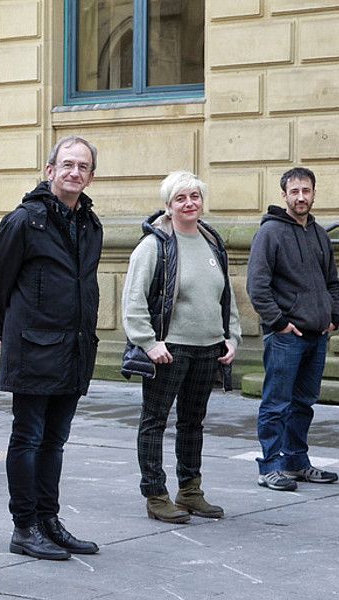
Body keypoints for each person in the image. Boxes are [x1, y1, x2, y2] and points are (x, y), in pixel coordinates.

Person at [0, 137, 103, 562]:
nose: (75, 172)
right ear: (50, 170)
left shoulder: (91, 224)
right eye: (67, 164)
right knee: (29, 438)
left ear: (91, 176)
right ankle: (25, 527)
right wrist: (10, 332)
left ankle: (49, 520)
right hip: (34, 348)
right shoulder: (24, 221)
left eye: (83, 166)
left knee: (55, 442)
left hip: (74, 349)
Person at [123, 172, 242, 522]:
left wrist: (232, 337)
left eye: (195, 196)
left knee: (193, 422)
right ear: (168, 205)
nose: (189, 203)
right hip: (169, 350)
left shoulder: (212, 243)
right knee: (154, 421)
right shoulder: (154, 246)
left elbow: (226, 297)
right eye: (181, 198)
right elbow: (133, 300)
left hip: (209, 348)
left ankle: (190, 491)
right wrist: (148, 343)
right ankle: (156, 495)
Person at [247, 166, 339, 491]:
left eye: (306, 191)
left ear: (314, 193)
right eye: (295, 191)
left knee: (303, 404)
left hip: (317, 335)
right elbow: (257, 286)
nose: (301, 197)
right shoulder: (270, 233)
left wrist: (334, 316)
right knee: (276, 404)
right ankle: (270, 467)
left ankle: (296, 462)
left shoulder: (320, 234)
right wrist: (279, 323)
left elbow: (332, 282)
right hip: (286, 337)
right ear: (284, 195)